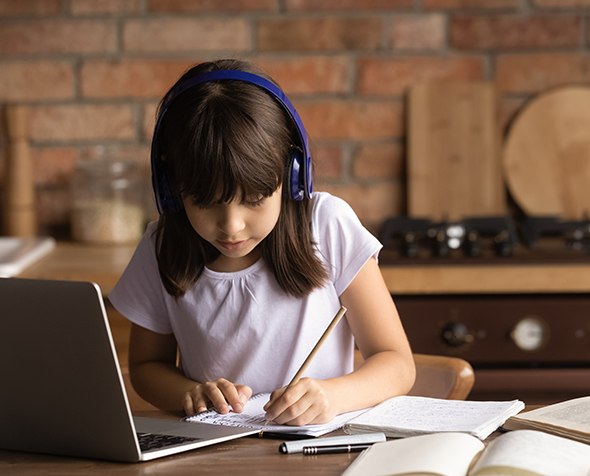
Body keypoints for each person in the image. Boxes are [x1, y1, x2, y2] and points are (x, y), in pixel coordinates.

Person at [109, 58, 415, 427]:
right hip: (214, 457)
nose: (232, 226)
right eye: (204, 203)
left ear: (293, 177)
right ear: (171, 192)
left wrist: (334, 396)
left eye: (254, 200)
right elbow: (146, 367)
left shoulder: (328, 225)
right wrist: (188, 392)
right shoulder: (161, 246)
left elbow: (397, 363)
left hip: (316, 452)